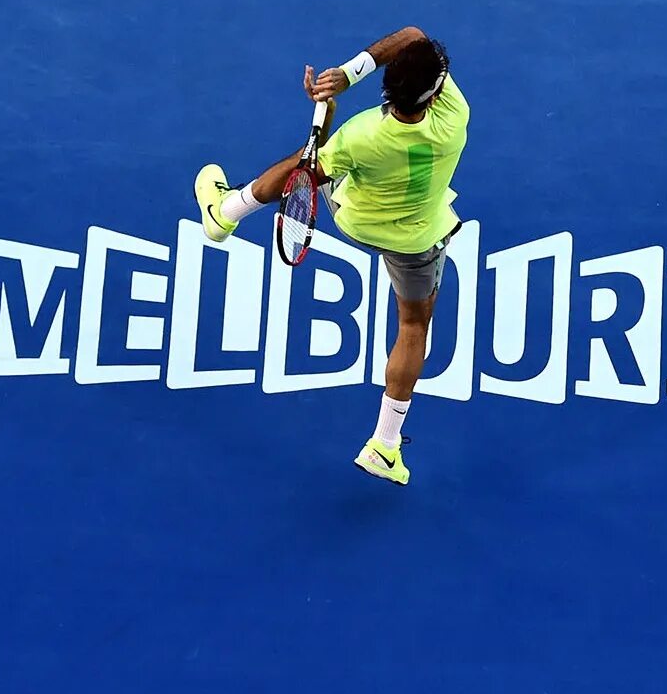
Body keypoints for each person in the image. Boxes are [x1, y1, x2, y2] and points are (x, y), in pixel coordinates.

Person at [192, 26, 469, 486]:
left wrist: (341, 83)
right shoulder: (455, 114)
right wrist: (348, 80)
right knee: (414, 326)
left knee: (304, 164)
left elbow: (306, 173)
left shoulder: (361, 137)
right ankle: (384, 444)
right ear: (433, 93)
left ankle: (226, 211)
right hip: (418, 238)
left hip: (358, 219)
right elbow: (419, 39)